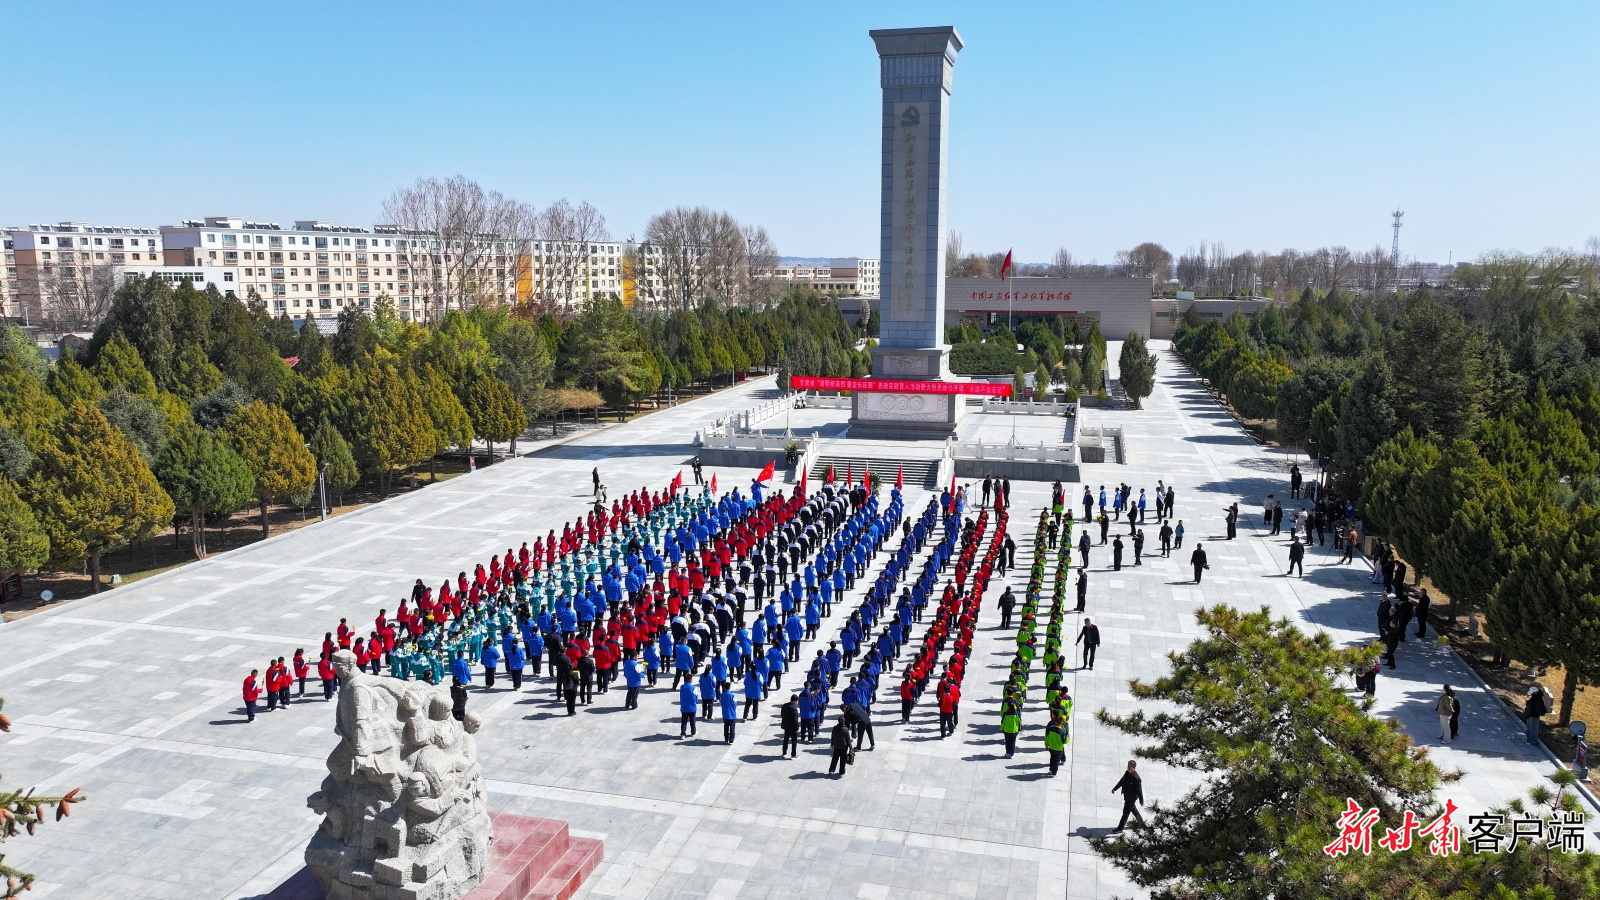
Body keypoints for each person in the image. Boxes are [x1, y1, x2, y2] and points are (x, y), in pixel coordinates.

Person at [1112, 760, 1145, 832]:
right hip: (1127, 796)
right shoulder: (1127, 773)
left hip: (1131, 798)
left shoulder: (1136, 778)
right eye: (1128, 766)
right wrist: (1115, 788)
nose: (1128, 767)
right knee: (1133, 809)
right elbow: (1121, 781)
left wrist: (1141, 801)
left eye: (1130, 766)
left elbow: (1139, 790)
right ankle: (1142, 824)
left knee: (1125, 813)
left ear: (1134, 767)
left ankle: (1120, 828)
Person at [679, 670, 700, 738]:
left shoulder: (682, 687)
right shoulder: (694, 688)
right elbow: (696, 698)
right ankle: (693, 732)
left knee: (684, 721)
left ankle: (683, 733)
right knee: (692, 720)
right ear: (691, 680)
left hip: (684, 707)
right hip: (692, 707)